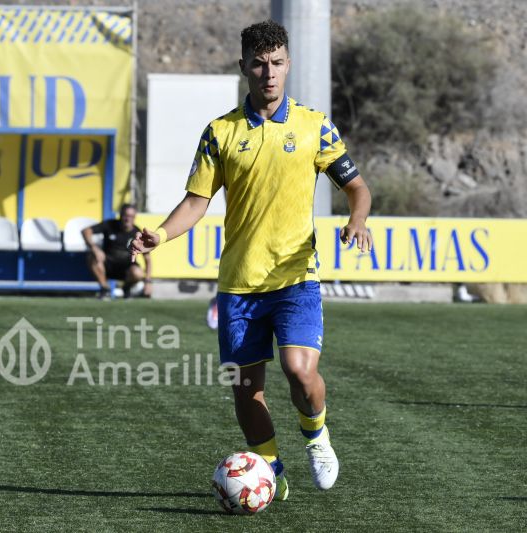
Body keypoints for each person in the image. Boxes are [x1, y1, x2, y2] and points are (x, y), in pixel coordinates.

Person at [129, 20, 373, 500]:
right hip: (239, 284)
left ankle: (317, 436)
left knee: (300, 370)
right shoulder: (220, 132)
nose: (269, 73)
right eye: (259, 64)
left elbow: (357, 187)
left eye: (277, 63)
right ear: (244, 66)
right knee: (246, 390)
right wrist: (160, 234)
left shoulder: (314, 126)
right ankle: (272, 470)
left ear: (289, 64)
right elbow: (196, 202)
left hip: (295, 276)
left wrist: (357, 219)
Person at [83, 204, 153, 299]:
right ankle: (105, 289)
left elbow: (147, 259)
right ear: (120, 215)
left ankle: (126, 287)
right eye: (125, 215)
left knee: (138, 273)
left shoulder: (137, 233)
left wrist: (148, 282)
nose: (128, 219)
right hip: (107, 265)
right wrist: (94, 248)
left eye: (131, 216)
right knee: (92, 257)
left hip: (126, 268)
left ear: (135, 217)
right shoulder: (110, 225)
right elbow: (86, 231)